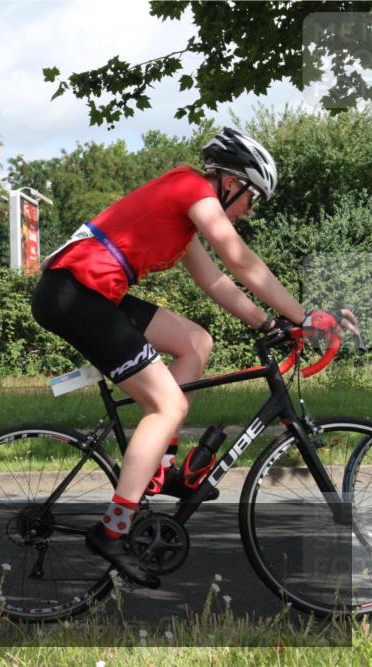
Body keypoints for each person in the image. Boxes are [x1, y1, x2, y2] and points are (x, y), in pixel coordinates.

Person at [30, 127, 360, 588]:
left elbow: (216, 282)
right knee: (168, 405)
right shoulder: (190, 187)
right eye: (251, 199)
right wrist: (304, 316)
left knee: (196, 343)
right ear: (232, 183)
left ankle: (158, 471)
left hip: (93, 293)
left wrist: (269, 324)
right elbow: (239, 260)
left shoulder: (184, 217)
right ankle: (112, 531)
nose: (249, 211)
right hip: (74, 295)